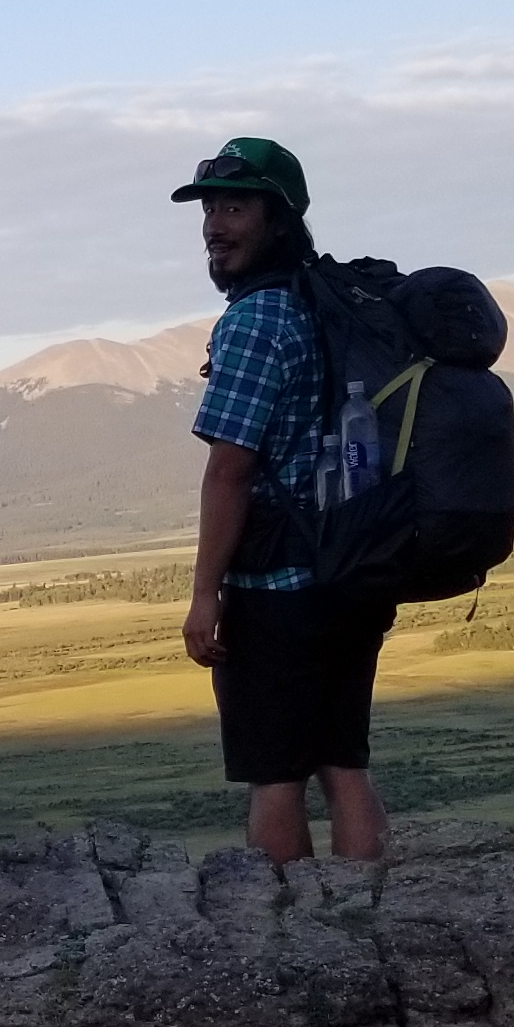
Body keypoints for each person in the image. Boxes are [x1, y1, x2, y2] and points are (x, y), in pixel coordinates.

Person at [172, 135, 391, 863]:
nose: (214, 226)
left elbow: (230, 471)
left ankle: (294, 947)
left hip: (276, 589)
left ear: (279, 219)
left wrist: (205, 595)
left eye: (236, 207)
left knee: (274, 777)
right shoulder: (322, 305)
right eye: (209, 209)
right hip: (353, 570)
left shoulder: (255, 320)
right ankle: (371, 925)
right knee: (343, 764)